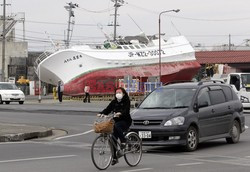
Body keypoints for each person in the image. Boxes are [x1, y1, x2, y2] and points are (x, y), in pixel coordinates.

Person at [98, 87, 132, 166]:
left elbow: (126, 110)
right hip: (116, 121)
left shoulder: (126, 101)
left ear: (123, 93)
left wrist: (120, 113)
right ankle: (114, 158)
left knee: (117, 125)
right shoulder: (114, 102)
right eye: (117, 93)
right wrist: (101, 113)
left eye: (120, 92)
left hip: (125, 121)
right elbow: (107, 109)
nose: (118, 94)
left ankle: (123, 141)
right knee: (112, 139)